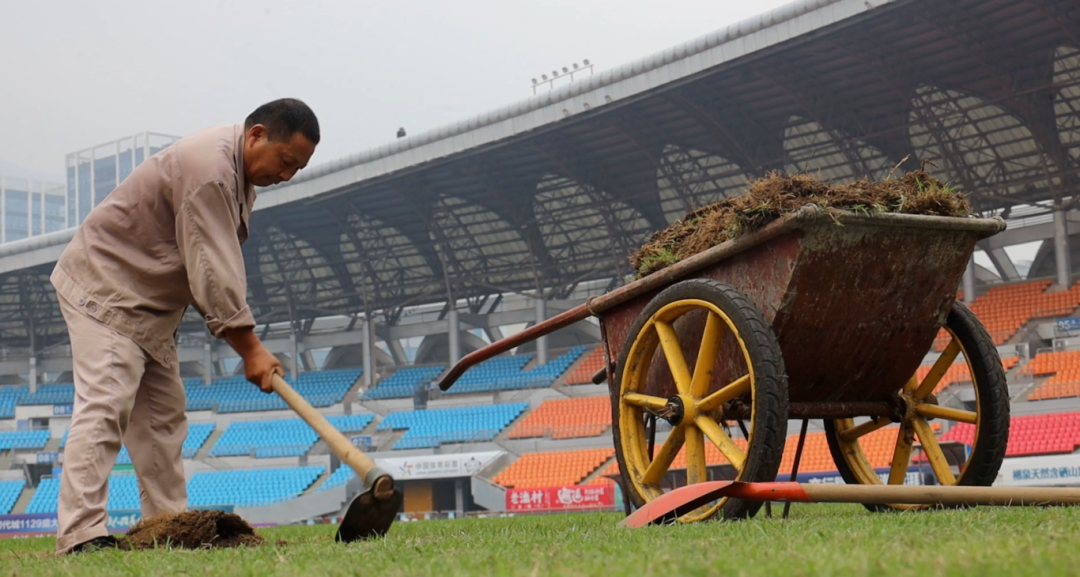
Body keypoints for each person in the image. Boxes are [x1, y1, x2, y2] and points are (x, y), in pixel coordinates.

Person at [50, 98, 319, 554]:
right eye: (285, 162)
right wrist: (249, 346)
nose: (286, 176)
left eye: (298, 169)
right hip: (106, 289)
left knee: (162, 420)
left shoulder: (236, 173)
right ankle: (80, 536)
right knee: (107, 403)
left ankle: (168, 529)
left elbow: (200, 269)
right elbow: (211, 267)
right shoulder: (211, 169)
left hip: (150, 306)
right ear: (255, 135)